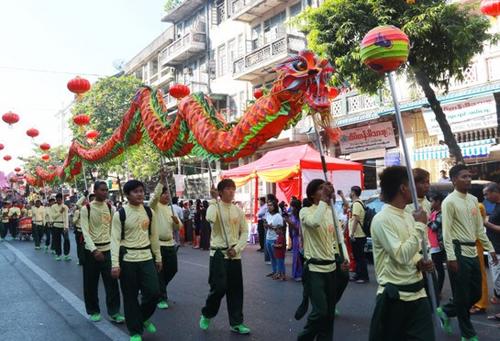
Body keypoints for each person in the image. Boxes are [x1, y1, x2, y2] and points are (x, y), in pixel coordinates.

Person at [369, 166, 435, 341]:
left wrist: (420, 262)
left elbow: (412, 253)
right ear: (403, 188)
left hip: (418, 294)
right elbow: (401, 255)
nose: (418, 188)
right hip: (395, 298)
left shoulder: (409, 215)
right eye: (412, 184)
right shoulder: (382, 219)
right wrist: (420, 226)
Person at [437, 164, 498, 340]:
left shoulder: (473, 200)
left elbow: (479, 229)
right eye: (464, 177)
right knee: (462, 295)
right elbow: (446, 232)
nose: (468, 179)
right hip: (458, 250)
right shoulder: (449, 202)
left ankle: (446, 310)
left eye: (469, 176)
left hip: (473, 250)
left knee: (476, 293)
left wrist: (490, 248)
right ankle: (467, 334)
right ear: (454, 180)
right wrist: (450, 257)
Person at [110, 180, 162, 341]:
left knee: (154, 293)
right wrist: (115, 264)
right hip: (128, 260)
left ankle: (142, 318)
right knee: (130, 297)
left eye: (141, 191)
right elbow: (115, 240)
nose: (140, 194)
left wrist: (158, 257)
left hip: (146, 258)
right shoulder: (121, 214)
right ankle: (135, 332)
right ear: (127, 195)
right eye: (135, 192)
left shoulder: (149, 212)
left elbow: (154, 236)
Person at [199, 179, 250, 335]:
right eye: (227, 189)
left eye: (233, 189)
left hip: (234, 255)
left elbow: (245, 232)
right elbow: (210, 218)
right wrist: (213, 201)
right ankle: (207, 313)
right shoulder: (214, 207)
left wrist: (238, 248)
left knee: (236, 290)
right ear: (220, 192)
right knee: (219, 288)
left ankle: (236, 322)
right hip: (218, 254)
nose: (231, 191)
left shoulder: (238, 211)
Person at [295, 179, 339, 341]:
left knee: (329, 313)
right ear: (312, 194)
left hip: (332, 268)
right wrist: (324, 203)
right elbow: (314, 223)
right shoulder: (305, 211)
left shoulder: (330, 211)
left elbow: (337, 237)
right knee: (320, 311)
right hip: (314, 270)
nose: (324, 191)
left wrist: (345, 258)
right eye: (320, 189)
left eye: (325, 188)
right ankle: (304, 337)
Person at [81, 181, 124, 324]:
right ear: (95, 191)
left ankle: (114, 312)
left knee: (112, 283)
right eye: (102, 190)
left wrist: (114, 249)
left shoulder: (110, 208)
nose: (105, 192)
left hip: (108, 251)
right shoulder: (86, 209)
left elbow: (114, 231)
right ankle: (93, 311)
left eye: (106, 190)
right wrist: (94, 250)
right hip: (91, 253)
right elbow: (85, 232)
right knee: (90, 284)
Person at [149, 171, 182, 310]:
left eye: (168, 193)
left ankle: (157, 287)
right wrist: (162, 181)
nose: (167, 195)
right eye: (165, 193)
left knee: (173, 269)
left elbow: (178, 227)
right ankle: (161, 297)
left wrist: (176, 222)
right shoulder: (154, 206)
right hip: (158, 244)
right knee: (160, 272)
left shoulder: (171, 209)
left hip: (170, 243)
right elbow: (154, 198)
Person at [483, 183, 500, 321]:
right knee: (497, 282)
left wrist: (486, 223)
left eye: (486, 194)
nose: (485, 197)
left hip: (498, 250)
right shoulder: (496, 207)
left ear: (495, 192)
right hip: (494, 249)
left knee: (498, 281)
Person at [348, 186, 369, 284]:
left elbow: (356, 219)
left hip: (358, 235)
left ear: (353, 192)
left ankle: (363, 276)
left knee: (360, 257)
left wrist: (352, 233)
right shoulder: (359, 203)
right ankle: (358, 274)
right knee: (357, 256)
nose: (350, 193)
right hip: (358, 234)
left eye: (351, 191)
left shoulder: (356, 204)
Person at [428, 192, 446, 297]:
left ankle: (438, 291)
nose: (431, 203)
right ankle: (435, 289)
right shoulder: (434, 211)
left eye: (432, 201)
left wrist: (426, 219)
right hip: (431, 243)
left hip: (437, 245)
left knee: (438, 269)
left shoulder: (442, 213)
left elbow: (434, 226)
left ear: (438, 201)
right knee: (434, 267)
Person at [264, 199, 283, 279]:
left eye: (271, 205)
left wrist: (271, 227)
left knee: (277, 257)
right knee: (271, 256)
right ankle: (274, 271)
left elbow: (280, 227)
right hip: (268, 237)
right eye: (268, 205)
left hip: (275, 238)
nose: (269, 207)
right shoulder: (267, 214)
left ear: (274, 206)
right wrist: (265, 225)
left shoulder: (278, 216)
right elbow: (265, 223)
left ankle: (279, 273)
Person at [285, 198, 303, 281]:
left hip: (299, 238)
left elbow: (298, 229)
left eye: (292, 206)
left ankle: (299, 274)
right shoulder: (292, 215)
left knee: (299, 256)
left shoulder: (300, 216)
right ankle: (295, 273)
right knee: (295, 256)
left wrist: (289, 222)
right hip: (294, 238)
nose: (290, 208)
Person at [49, 193, 71, 261]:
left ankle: (66, 254)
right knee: (57, 241)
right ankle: (58, 254)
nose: (59, 201)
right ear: (56, 199)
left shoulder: (65, 207)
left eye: (60, 200)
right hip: (56, 225)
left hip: (64, 225)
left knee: (67, 240)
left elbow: (66, 218)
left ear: (62, 199)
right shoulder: (53, 207)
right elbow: (53, 216)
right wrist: (60, 212)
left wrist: (66, 227)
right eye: (57, 200)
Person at [73, 195, 88, 266]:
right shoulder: (78, 211)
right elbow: (73, 221)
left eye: (86, 201)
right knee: (79, 246)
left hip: (87, 232)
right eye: (84, 201)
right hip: (79, 232)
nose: (85, 202)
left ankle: (86, 259)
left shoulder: (89, 210)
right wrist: (78, 217)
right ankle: (80, 259)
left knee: (87, 247)